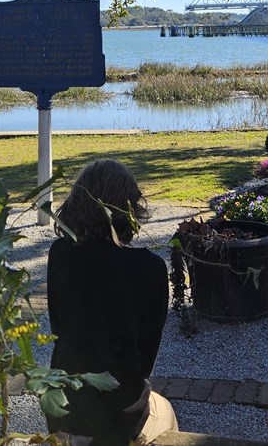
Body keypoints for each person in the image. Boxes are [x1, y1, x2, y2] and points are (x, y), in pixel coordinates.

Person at [45, 159, 176, 445]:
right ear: (130, 209)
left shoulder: (60, 255)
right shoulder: (149, 268)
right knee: (167, 412)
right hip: (118, 413)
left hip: (63, 406)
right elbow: (145, 357)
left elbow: (59, 328)